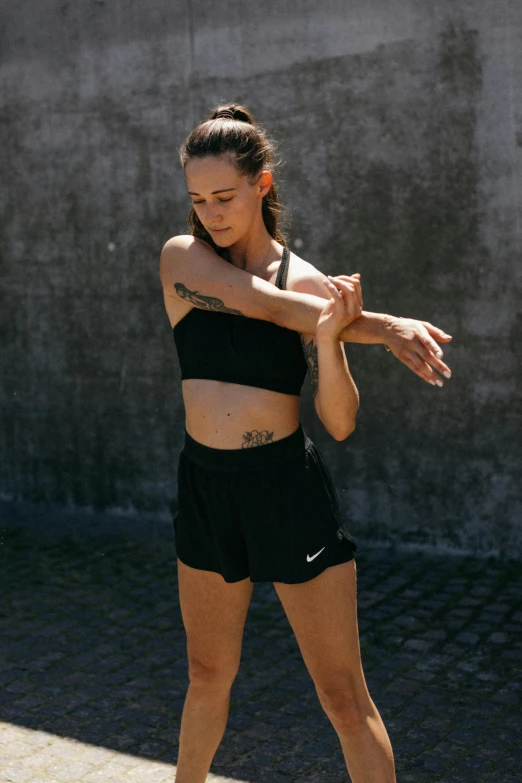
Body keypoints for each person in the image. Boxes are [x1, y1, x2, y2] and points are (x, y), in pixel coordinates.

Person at [159, 103, 452, 783]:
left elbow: (341, 422)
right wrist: (379, 326)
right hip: (206, 487)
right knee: (207, 673)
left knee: (343, 695)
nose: (210, 213)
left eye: (225, 197)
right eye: (197, 199)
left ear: (262, 184)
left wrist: (333, 341)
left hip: (286, 488)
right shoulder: (183, 259)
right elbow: (258, 302)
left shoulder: (313, 285)